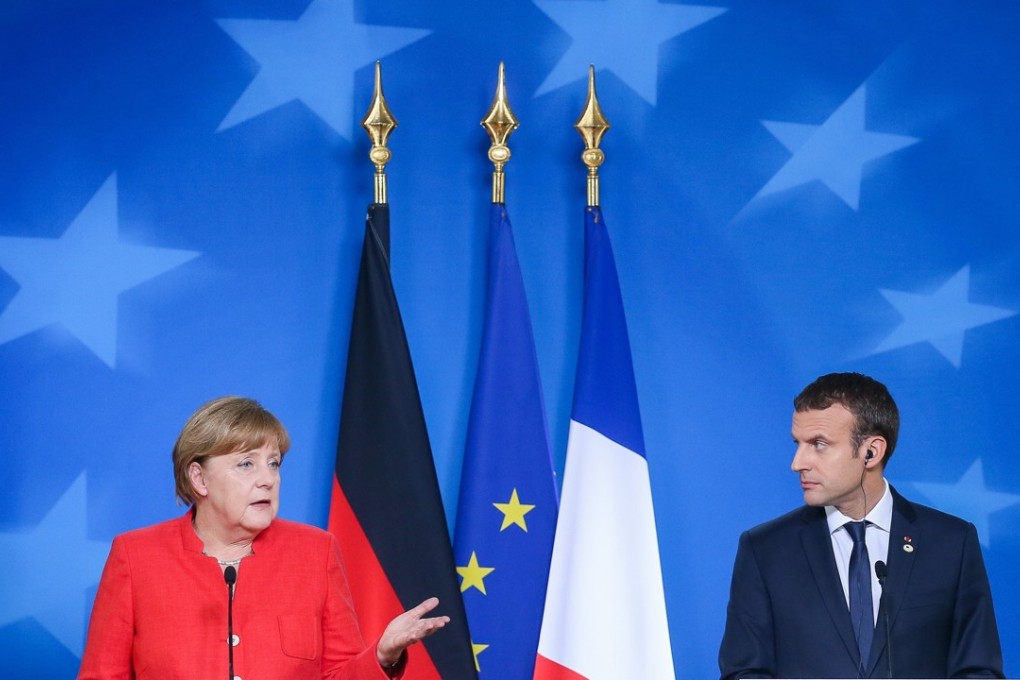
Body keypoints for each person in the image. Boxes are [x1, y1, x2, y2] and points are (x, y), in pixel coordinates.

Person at [79, 396, 448, 680]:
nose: (268, 479)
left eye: (273, 463)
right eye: (246, 464)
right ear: (199, 478)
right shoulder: (136, 556)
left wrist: (382, 655)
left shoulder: (315, 552)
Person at [718, 372, 1004, 679]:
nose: (798, 462)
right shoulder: (765, 549)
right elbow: (743, 672)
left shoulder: (951, 543)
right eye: (797, 443)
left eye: (818, 444)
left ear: (871, 452)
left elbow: (979, 670)